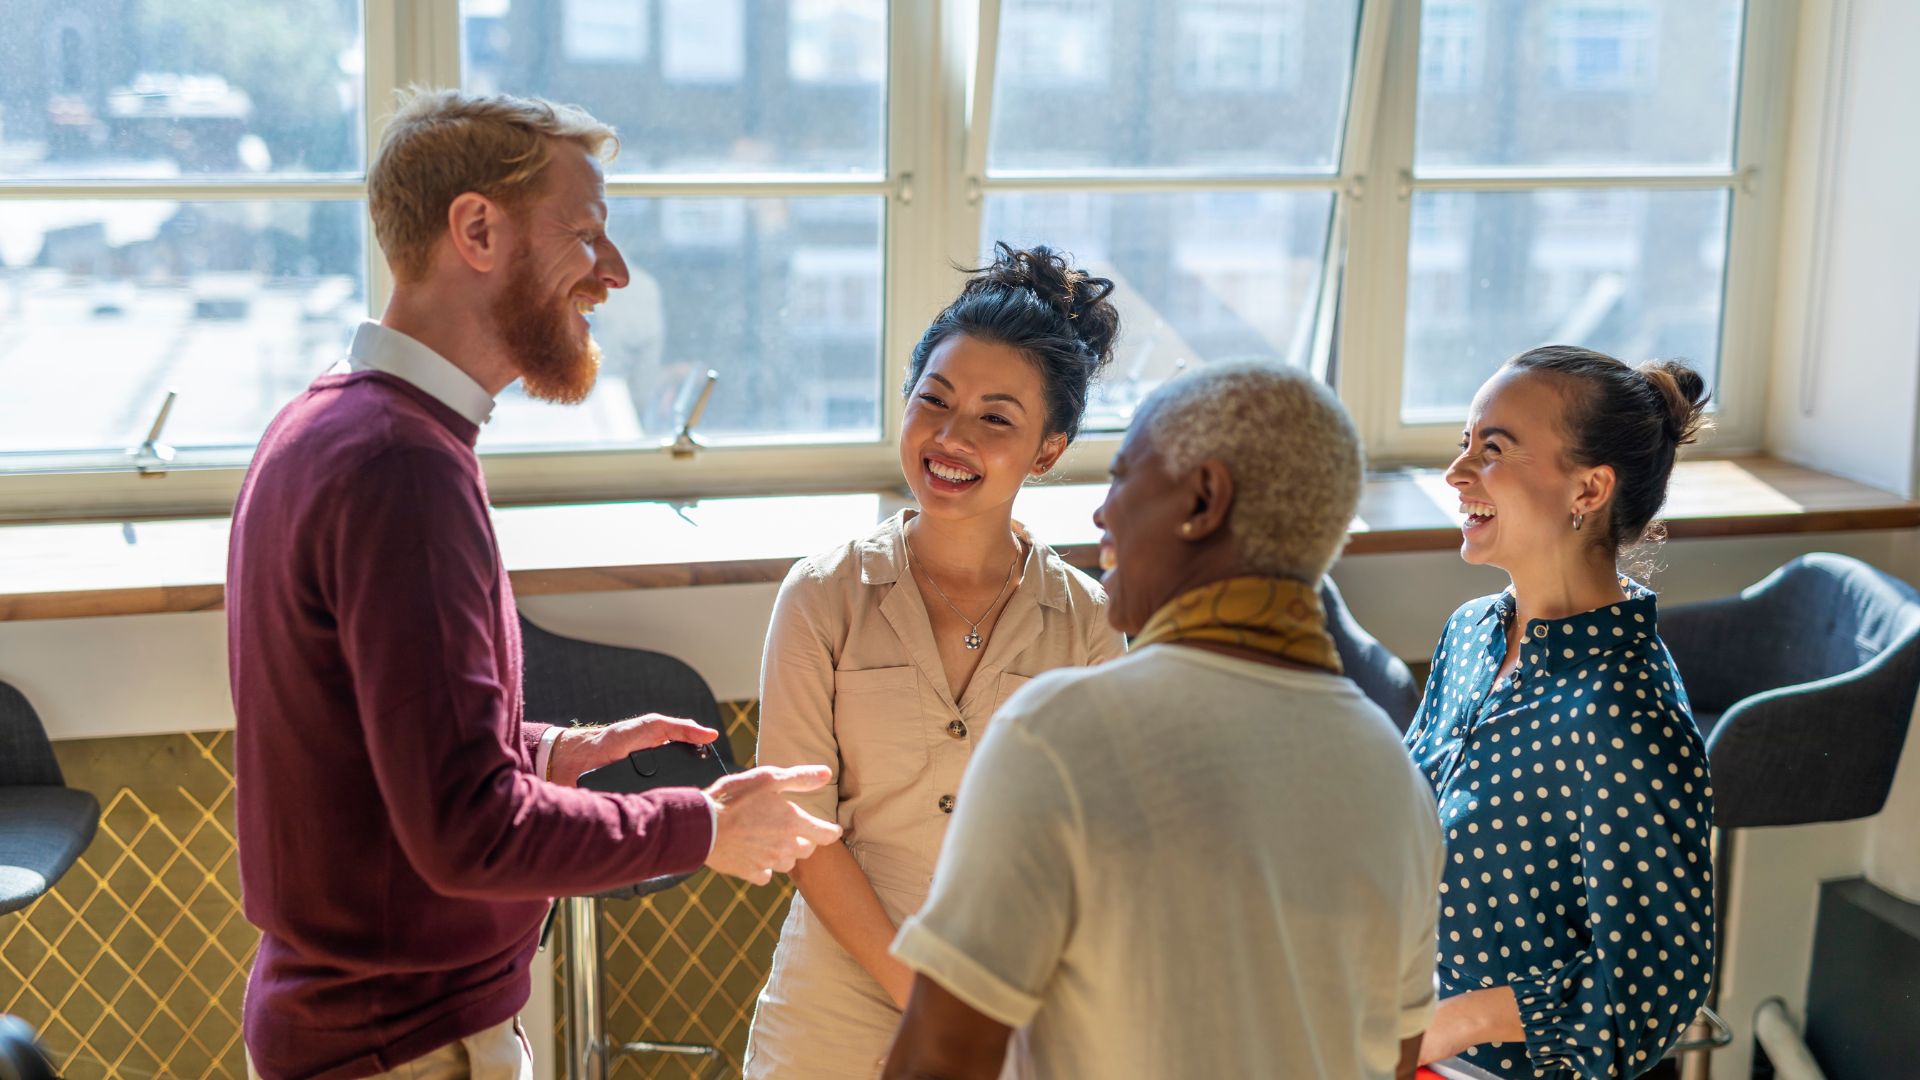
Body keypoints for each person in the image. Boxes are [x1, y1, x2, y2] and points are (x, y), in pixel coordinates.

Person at [226, 89, 840, 1080]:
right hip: (408, 1047)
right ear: (476, 230)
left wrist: (548, 751)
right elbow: (466, 832)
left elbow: (377, 749)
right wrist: (707, 826)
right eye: (587, 233)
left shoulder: (326, 425)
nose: (616, 274)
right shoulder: (401, 468)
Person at [883, 362, 1445, 1080]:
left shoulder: (1061, 735)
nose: (1102, 513)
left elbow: (940, 1060)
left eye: (1123, 477)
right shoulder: (1393, 775)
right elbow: (1393, 1063)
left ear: (1203, 499)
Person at [743, 245, 1130, 1079]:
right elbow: (805, 833)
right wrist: (926, 1003)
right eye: (935, 401)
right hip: (829, 1010)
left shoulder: (1092, 626)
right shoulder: (821, 596)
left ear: (1048, 451)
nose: (951, 437)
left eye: (997, 419)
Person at [1404, 346, 1716, 1079]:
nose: (1457, 473)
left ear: (1590, 488)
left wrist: (1456, 1024)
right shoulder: (1472, 633)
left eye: (1494, 449)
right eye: (1464, 445)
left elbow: (1654, 987)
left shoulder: (1624, 713)